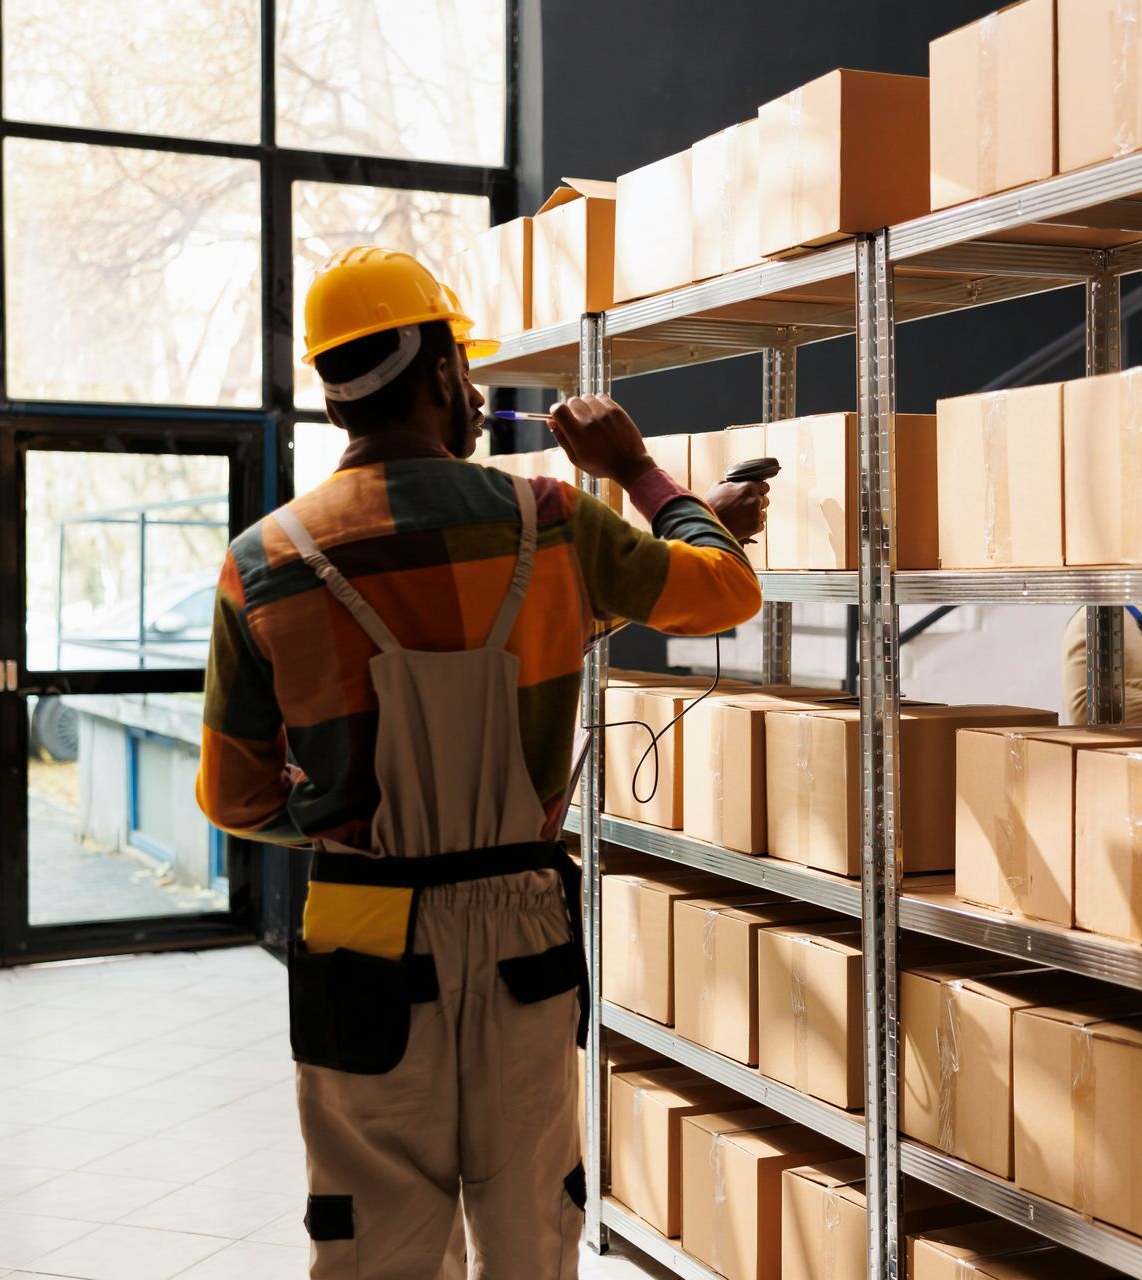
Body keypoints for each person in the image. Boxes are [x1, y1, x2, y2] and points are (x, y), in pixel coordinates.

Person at [194, 246, 765, 1280]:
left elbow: (233, 795)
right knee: (528, 1224)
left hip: (361, 923)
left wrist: (340, 811)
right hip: (517, 916)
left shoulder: (260, 561)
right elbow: (722, 588)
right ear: (446, 376)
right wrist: (644, 476)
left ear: (334, 400)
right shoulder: (548, 520)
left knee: (373, 1241)